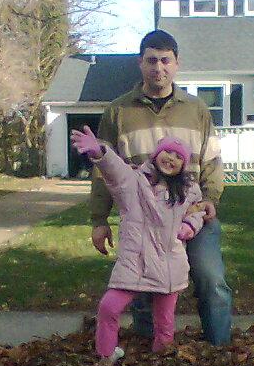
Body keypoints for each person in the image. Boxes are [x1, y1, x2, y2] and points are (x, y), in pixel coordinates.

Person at [89, 29, 232, 345]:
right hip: (145, 222)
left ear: (176, 63)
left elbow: (212, 160)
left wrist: (210, 199)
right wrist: (99, 220)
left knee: (212, 282)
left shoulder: (196, 110)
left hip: (191, 213)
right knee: (143, 292)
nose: (159, 68)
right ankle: (150, 360)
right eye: (151, 60)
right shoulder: (118, 112)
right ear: (140, 63)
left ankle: (219, 350)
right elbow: (102, 170)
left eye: (166, 60)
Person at [71, 126, 205, 363]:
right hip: (134, 260)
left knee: (164, 321)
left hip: (167, 262)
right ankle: (106, 355)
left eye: (177, 157)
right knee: (109, 307)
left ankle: (161, 363)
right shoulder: (133, 182)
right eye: (167, 153)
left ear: (183, 165)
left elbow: (197, 211)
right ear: (156, 154)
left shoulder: (186, 190)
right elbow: (115, 170)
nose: (170, 159)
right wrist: (100, 151)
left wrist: (190, 226)